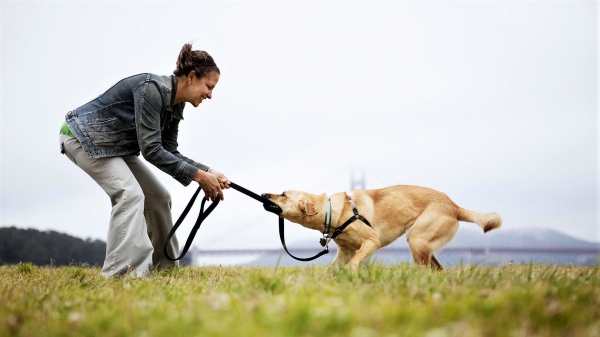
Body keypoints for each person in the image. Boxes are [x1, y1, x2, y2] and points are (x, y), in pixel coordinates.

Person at [59, 43, 230, 277]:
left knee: (159, 197)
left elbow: (169, 150)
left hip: (116, 148)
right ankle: (121, 274)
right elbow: (151, 150)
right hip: (82, 137)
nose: (210, 94)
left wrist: (209, 171)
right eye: (209, 87)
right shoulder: (151, 89)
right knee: (130, 194)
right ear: (191, 77)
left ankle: (165, 270)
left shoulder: (175, 106)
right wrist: (200, 177)